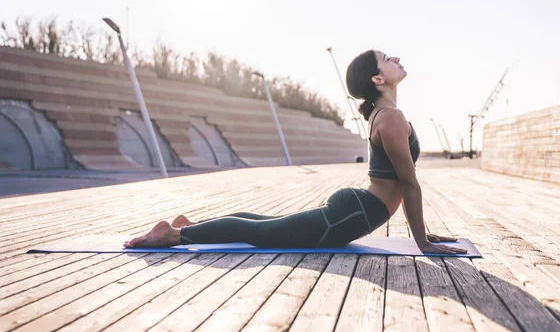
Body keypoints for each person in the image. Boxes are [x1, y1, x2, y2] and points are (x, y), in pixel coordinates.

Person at [124, 50, 467, 255]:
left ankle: (194, 226)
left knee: (268, 224)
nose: (396, 58)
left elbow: (403, 183)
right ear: (378, 79)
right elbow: (408, 184)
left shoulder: (387, 116)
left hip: (358, 209)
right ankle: (172, 235)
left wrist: (422, 233)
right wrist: (422, 241)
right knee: (262, 233)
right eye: (385, 58)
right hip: (355, 214)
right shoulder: (391, 118)